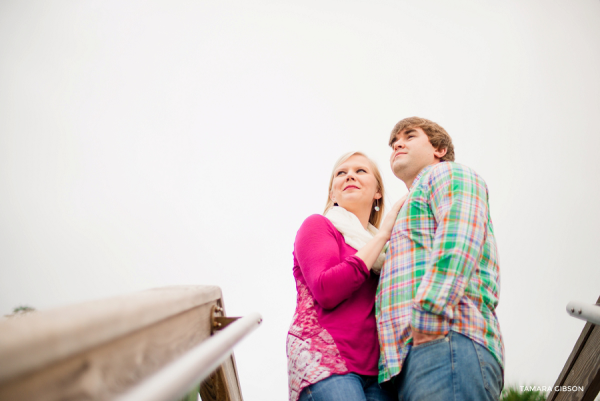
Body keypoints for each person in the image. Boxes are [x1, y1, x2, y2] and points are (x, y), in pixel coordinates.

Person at [376, 117, 505, 401]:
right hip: (413, 360)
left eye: (409, 136)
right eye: (393, 142)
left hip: (446, 342)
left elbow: (460, 238)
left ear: (439, 149)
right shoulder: (405, 210)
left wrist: (430, 314)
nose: (397, 143)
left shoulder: (448, 174)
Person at [286, 151, 405, 401]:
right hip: (327, 361)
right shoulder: (319, 225)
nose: (350, 175)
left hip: (379, 374)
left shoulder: (387, 253)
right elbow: (326, 289)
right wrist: (383, 235)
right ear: (333, 194)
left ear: (377, 193)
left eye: (361, 171)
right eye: (341, 173)